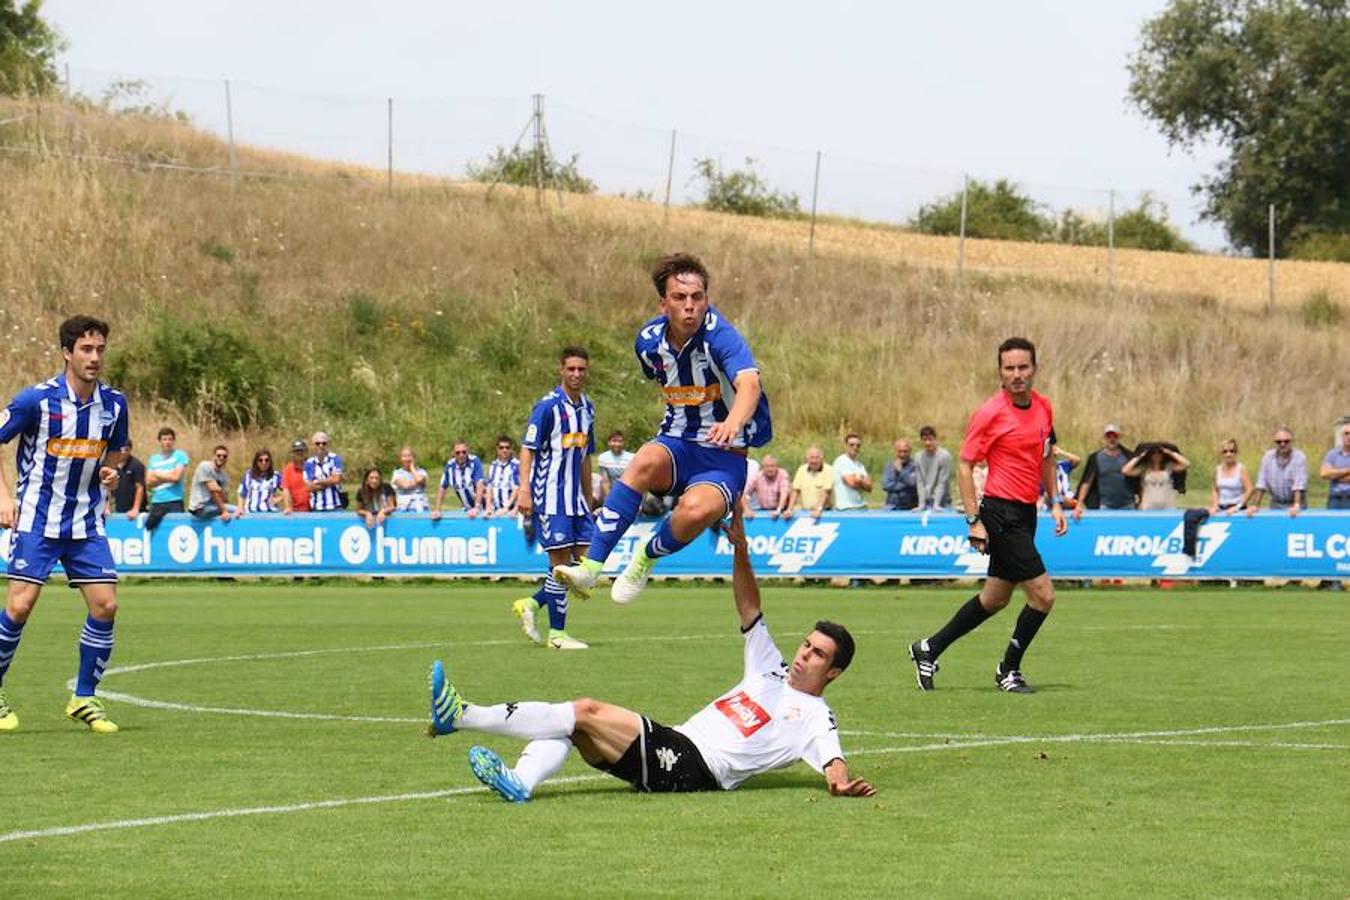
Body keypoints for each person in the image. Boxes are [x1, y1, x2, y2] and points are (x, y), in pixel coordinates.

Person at [427, 507, 873, 802]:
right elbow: (750, 606)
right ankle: (521, 783)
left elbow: (833, 761)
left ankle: (462, 715)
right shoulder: (769, 667)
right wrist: (741, 548)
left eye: (817, 656)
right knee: (572, 727)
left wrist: (840, 783)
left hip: (696, 767)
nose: (804, 655)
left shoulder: (816, 715)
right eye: (807, 645)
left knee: (584, 710)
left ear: (833, 673)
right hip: (678, 745)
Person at [554, 253, 771, 606]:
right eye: (680, 298)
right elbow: (662, 376)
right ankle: (590, 567)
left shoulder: (722, 337)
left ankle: (645, 559)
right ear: (663, 304)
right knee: (643, 461)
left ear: (706, 299)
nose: (690, 306)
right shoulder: (648, 342)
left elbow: (749, 385)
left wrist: (732, 422)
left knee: (695, 512)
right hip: (678, 443)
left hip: (725, 455)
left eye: (697, 297)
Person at [908, 337, 1068, 695]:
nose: (1016, 374)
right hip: (1000, 512)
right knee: (1043, 596)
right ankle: (1008, 670)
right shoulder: (990, 412)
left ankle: (928, 649)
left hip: (1027, 512)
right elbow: (964, 466)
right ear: (1000, 371)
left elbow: (1046, 457)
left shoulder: (1044, 407)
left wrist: (1056, 501)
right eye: (1009, 368)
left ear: (1035, 369)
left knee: (994, 599)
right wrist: (973, 520)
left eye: (1023, 367)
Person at [0, 315, 130, 733]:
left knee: (106, 605)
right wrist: (4, 498)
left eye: (100, 350)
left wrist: (111, 473)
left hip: (86, 523)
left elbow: (116, 451)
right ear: (67, 353)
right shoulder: (34, 401)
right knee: (19, 606)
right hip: (38, 520)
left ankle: (85, 697)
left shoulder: (114, 404)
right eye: (86, 350)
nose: (94, 358)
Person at [512, 348, 596, 650]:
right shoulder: (547, 407)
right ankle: (557, 635)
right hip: (551, 499)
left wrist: (589, 498)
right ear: (561, 370)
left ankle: (532, 604)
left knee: (584, 569)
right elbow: (527, 449)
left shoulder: (588, 408)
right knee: (561, 567)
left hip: (577, 502)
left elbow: (586, 457)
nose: (576, 374)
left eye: (581, 369)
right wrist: (524, 489)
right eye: (571, 369)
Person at [1073, 425, 1135, 519]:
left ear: (1119, 437)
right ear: (1104, 438)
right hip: (1105, 507)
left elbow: (1139, 478)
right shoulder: (1096, 458)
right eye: (1108, 436)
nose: (1112, 439)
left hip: (1128, 505)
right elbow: (1087, 482)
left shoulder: (1129, 456)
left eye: (1115, 436)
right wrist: (1079, 504)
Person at [1248, 427, 1308, 517]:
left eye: (1286, 441)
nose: (1282, 444)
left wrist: (1296, 505)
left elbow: (1298, 485)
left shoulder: (1299, 457)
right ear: (1275, 442)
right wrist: (1255, 505)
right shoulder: (1267, 457)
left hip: (1296, 506)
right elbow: (1261, 483)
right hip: (1275, 505)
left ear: (1291, 441)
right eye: (1279, 442)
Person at [144, 426, 190, 530]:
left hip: (175, 500)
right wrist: (169, 475)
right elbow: (149, 481)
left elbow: (176, 477)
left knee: (176, 530)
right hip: (157, 501)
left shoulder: (180, 455)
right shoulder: (154, 459)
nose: (167, 442)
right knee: (149, 528)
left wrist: (157, 474)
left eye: (170, 439)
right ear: (159, 441)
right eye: (164, 439)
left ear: (173, 441)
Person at [1122, 442, 1191, 510]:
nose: (1156, 455)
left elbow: (1186, 464)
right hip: (1148, 505)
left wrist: (1170, 452)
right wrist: (1140, 456)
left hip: (1167, 504)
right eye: (1153, 453)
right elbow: (1125, 470)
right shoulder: (1144, 467)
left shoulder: (1169, 466)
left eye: (1159, 452)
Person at [433, 441, 486, 519]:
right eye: (458, 453)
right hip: (466, 510)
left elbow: (479, 484)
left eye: (464, 452)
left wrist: (477, 507)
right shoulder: (450, 466)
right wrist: (437, 509)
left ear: (468, 451)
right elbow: (442, 487)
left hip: (482, 508)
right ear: (453, 453)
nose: (461, 455)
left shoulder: (474, 461)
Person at [189, 445, 235, 520]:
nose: (221, 458)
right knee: (236, 510)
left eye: (224, 456)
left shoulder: (224, 476)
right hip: (200, 508)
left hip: (213, 506)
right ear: (213, 456)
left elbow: (225, 498)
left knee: (238, 511)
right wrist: (224, 511)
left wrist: (219, 489)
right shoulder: (205, 466)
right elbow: (213, 491)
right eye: (219, 455)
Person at [1209, 439, 1253, 514]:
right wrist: (1215, 506)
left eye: (1231, 451)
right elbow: (1215, 490)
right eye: (1225, 451)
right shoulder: (1217, 469)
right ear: (1221, 454)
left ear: (1236, 453)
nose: (1228, 454)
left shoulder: (1241, 469)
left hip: (1237, 509)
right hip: (1221, 508)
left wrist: (1237, 507)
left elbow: (1250, 490)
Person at [236, 448, 285, 516]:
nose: (264, 463)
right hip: (251, 513)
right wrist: (240, 508)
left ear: (270, 462)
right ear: (256, 462)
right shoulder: (248, 475)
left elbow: (288, 490)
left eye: (266, 460)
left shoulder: (276, 476)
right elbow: (241, 493)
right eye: (260, 460)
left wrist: (279, 498)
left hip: (270, 513)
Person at [742, 454, 792, 519]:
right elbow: (742, 492)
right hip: (763, 510)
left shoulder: (783, 474)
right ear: (763, 468)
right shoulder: (757, 476)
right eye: (767, 466)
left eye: (772, 466)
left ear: (777, 466)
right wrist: (747, 509)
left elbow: (784, 493)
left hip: (782, 510)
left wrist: (778, 510)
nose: (770, 469)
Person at [304, 431, 344, 512]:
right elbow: (308, 487)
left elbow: (336, 479)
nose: (321, 446)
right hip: (316, 507)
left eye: (324, 443)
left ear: (327, 444)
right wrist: (329, 481)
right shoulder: (309, 463)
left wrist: (317, 482)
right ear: (313, 445)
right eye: (317, 443)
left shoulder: (335, 459)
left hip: (335, 506)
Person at [915, 425, 953, 510]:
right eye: (924, 440)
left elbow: (942, 481)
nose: (927, 443)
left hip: (943, 501)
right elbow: (920, 482)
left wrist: (936, 504)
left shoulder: (944, 456)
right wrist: (921, 504)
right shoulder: (918, 457)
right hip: (926, 500)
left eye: (930, 439)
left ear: (935, 439)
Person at [831, 433, 873, 511]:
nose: (855, 447)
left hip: (861, 506)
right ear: (845, 446)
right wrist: (862, 480)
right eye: (852, 445)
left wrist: (858, 481)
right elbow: (852, 483)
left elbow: (870, 488)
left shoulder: (860, 465)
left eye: (858, 445)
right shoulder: (841, 461)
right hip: (847, 508)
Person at [790, 447, 834, 519]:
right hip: (804, 512)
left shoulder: (829, 470)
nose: (814, 460)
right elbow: (795, 491)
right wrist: (789, 509)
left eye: (817, 457)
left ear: (821, 458)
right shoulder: (801, 469)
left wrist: (818, 509)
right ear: (807, 459)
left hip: (824, 512)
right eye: (811, 457)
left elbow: (826, 492)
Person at [594, 430, 635, 506]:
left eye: (620, 441)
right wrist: (610, 500)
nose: (617, 444)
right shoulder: (603, 458)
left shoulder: (631, 458)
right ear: (609, 442)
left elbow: (632, 481)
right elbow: (605, 482)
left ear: (624, 443)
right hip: (610, 490)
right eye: (614, 441)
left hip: (626, 490)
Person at [107, 441, 146, 521]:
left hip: (136, 513)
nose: (123, 452)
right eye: (121, 450)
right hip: (119, 509)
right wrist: (107, 507)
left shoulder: (136, 465)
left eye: (126, 450)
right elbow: (108, 488)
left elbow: (140, 488)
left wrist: (135, 509)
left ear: (130, 450)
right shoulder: (113, 466)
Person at [485, 436, 521, 517]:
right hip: (496, 510)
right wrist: (488, 507)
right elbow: (489, 487)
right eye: (501, 448)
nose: (504, 450)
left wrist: (507, 508)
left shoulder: (516, 465)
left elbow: (518, 489)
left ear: (511, 449)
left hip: (510, 512)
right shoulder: (493, 466)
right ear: (497, 449)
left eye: (507, 448)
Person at [390, 446, 430, 513]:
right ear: (400, 459)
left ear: (414, 458)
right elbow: (405, 485)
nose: (407, 459)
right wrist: (416, 482)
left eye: (409, 456)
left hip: (421, 506)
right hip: (403, 507)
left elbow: (420, 480)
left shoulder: (421, 471)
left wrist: (412, 468)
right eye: (404, 456)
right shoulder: (397, 473)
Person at [881, 439, 919, 510]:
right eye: (900, 451)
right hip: (891, 506)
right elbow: (885, 485)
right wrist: (904, 485)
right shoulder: (889, 465)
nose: (902, 454)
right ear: (895, 451)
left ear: (910, 452)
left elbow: (912, 483)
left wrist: (900, 471)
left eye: (905, 451)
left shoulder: (915, 466)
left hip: (910, 507)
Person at [1320, 422, 1350, 510]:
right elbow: (1324, 473)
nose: (1349, 437)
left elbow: (1330, 474)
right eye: (1346, 434)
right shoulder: (1332, 454)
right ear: (1342, 436)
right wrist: (1347, 471)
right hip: (1334, 498)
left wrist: (1334, 475)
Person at [1042, 445, 1081, 510]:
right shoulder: (1042, 469)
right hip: (1052, 499)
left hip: (1067, 497)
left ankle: (1072, 503)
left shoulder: (1062, 465)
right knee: (1047, 496)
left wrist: (1060, 452)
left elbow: (1077, 460)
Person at [280, 440, 312, 514]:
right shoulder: (288, 469)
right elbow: (286, 490)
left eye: (301, 450)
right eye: (296, 451)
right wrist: (288, 507)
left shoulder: (312, 466)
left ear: (306, 452)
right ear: (292, 454)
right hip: (295, 511)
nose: (299, 453)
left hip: (313, 509)